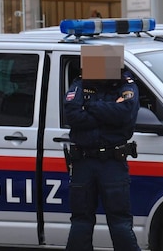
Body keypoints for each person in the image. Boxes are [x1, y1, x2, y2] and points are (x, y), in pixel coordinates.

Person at [63, 49, 141, 250]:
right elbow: (72, 115)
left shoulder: (125, 85)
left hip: (113, 163)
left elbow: (125, 114)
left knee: (120, 224)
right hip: (84, 162)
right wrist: (108, 111)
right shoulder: (80, 84)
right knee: (81, 221)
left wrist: (90, 107)